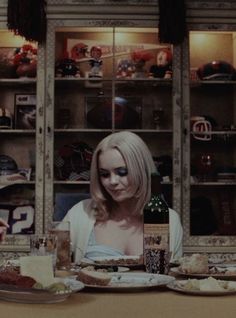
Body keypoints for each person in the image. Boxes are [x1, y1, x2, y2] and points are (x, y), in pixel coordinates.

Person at [62, 131, 183, 263]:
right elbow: (51, 266)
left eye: (122, 172)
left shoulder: (170, 219)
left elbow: (173, 278)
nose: (113, 181)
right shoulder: (80, 213)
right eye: (104, 174)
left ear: (142, 170)